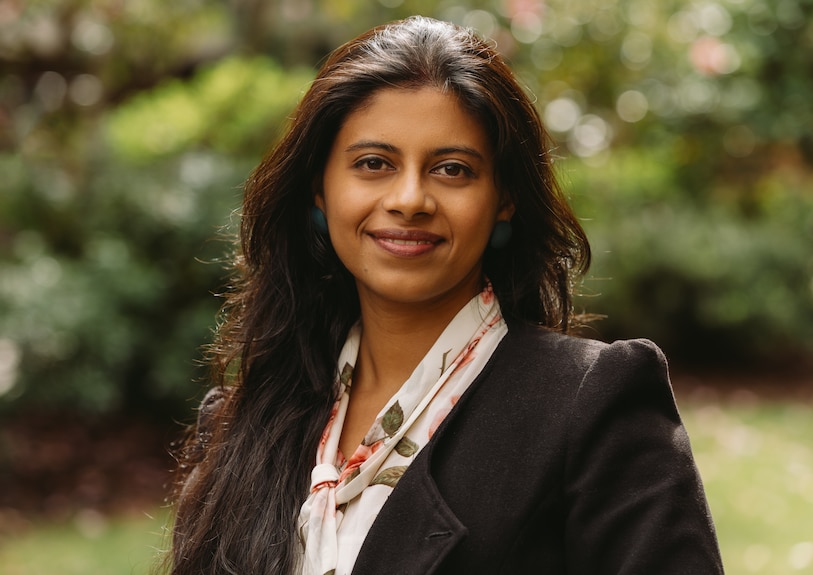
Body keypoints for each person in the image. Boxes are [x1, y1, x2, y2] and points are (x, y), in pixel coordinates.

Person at [167, 15, 724, 575]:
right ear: (319, 188)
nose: (409, 199)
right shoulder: (244, 424)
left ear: (504, 198)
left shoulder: (588, 406)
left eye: (452, 169)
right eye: (373, 164)